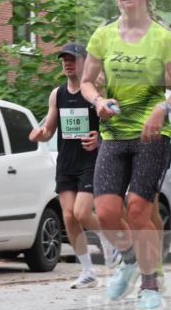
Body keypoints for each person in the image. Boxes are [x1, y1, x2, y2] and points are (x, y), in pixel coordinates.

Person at [80, 0, 171, 310]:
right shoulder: (103, 35)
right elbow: (87, 82)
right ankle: (129, 258)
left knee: (139, 210)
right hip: (113, 134)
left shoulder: (162, 37)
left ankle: (150, 286)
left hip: (151, 135)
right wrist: (98, 101)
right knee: (107, 212)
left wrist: (162, 108)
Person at [29, 43, 122, 289]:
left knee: (82, 213)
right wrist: (40, 133)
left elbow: (116, 123)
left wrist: (99, 139)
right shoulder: (57, 94)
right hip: (66, 163)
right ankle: (88, 271)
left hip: (91, 161)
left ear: (84, 62)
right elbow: (49, 130)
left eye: (72, 59)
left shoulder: (96, 90)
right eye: (64, 60)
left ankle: (108, 236)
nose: (67, 63)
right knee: (69, 217)